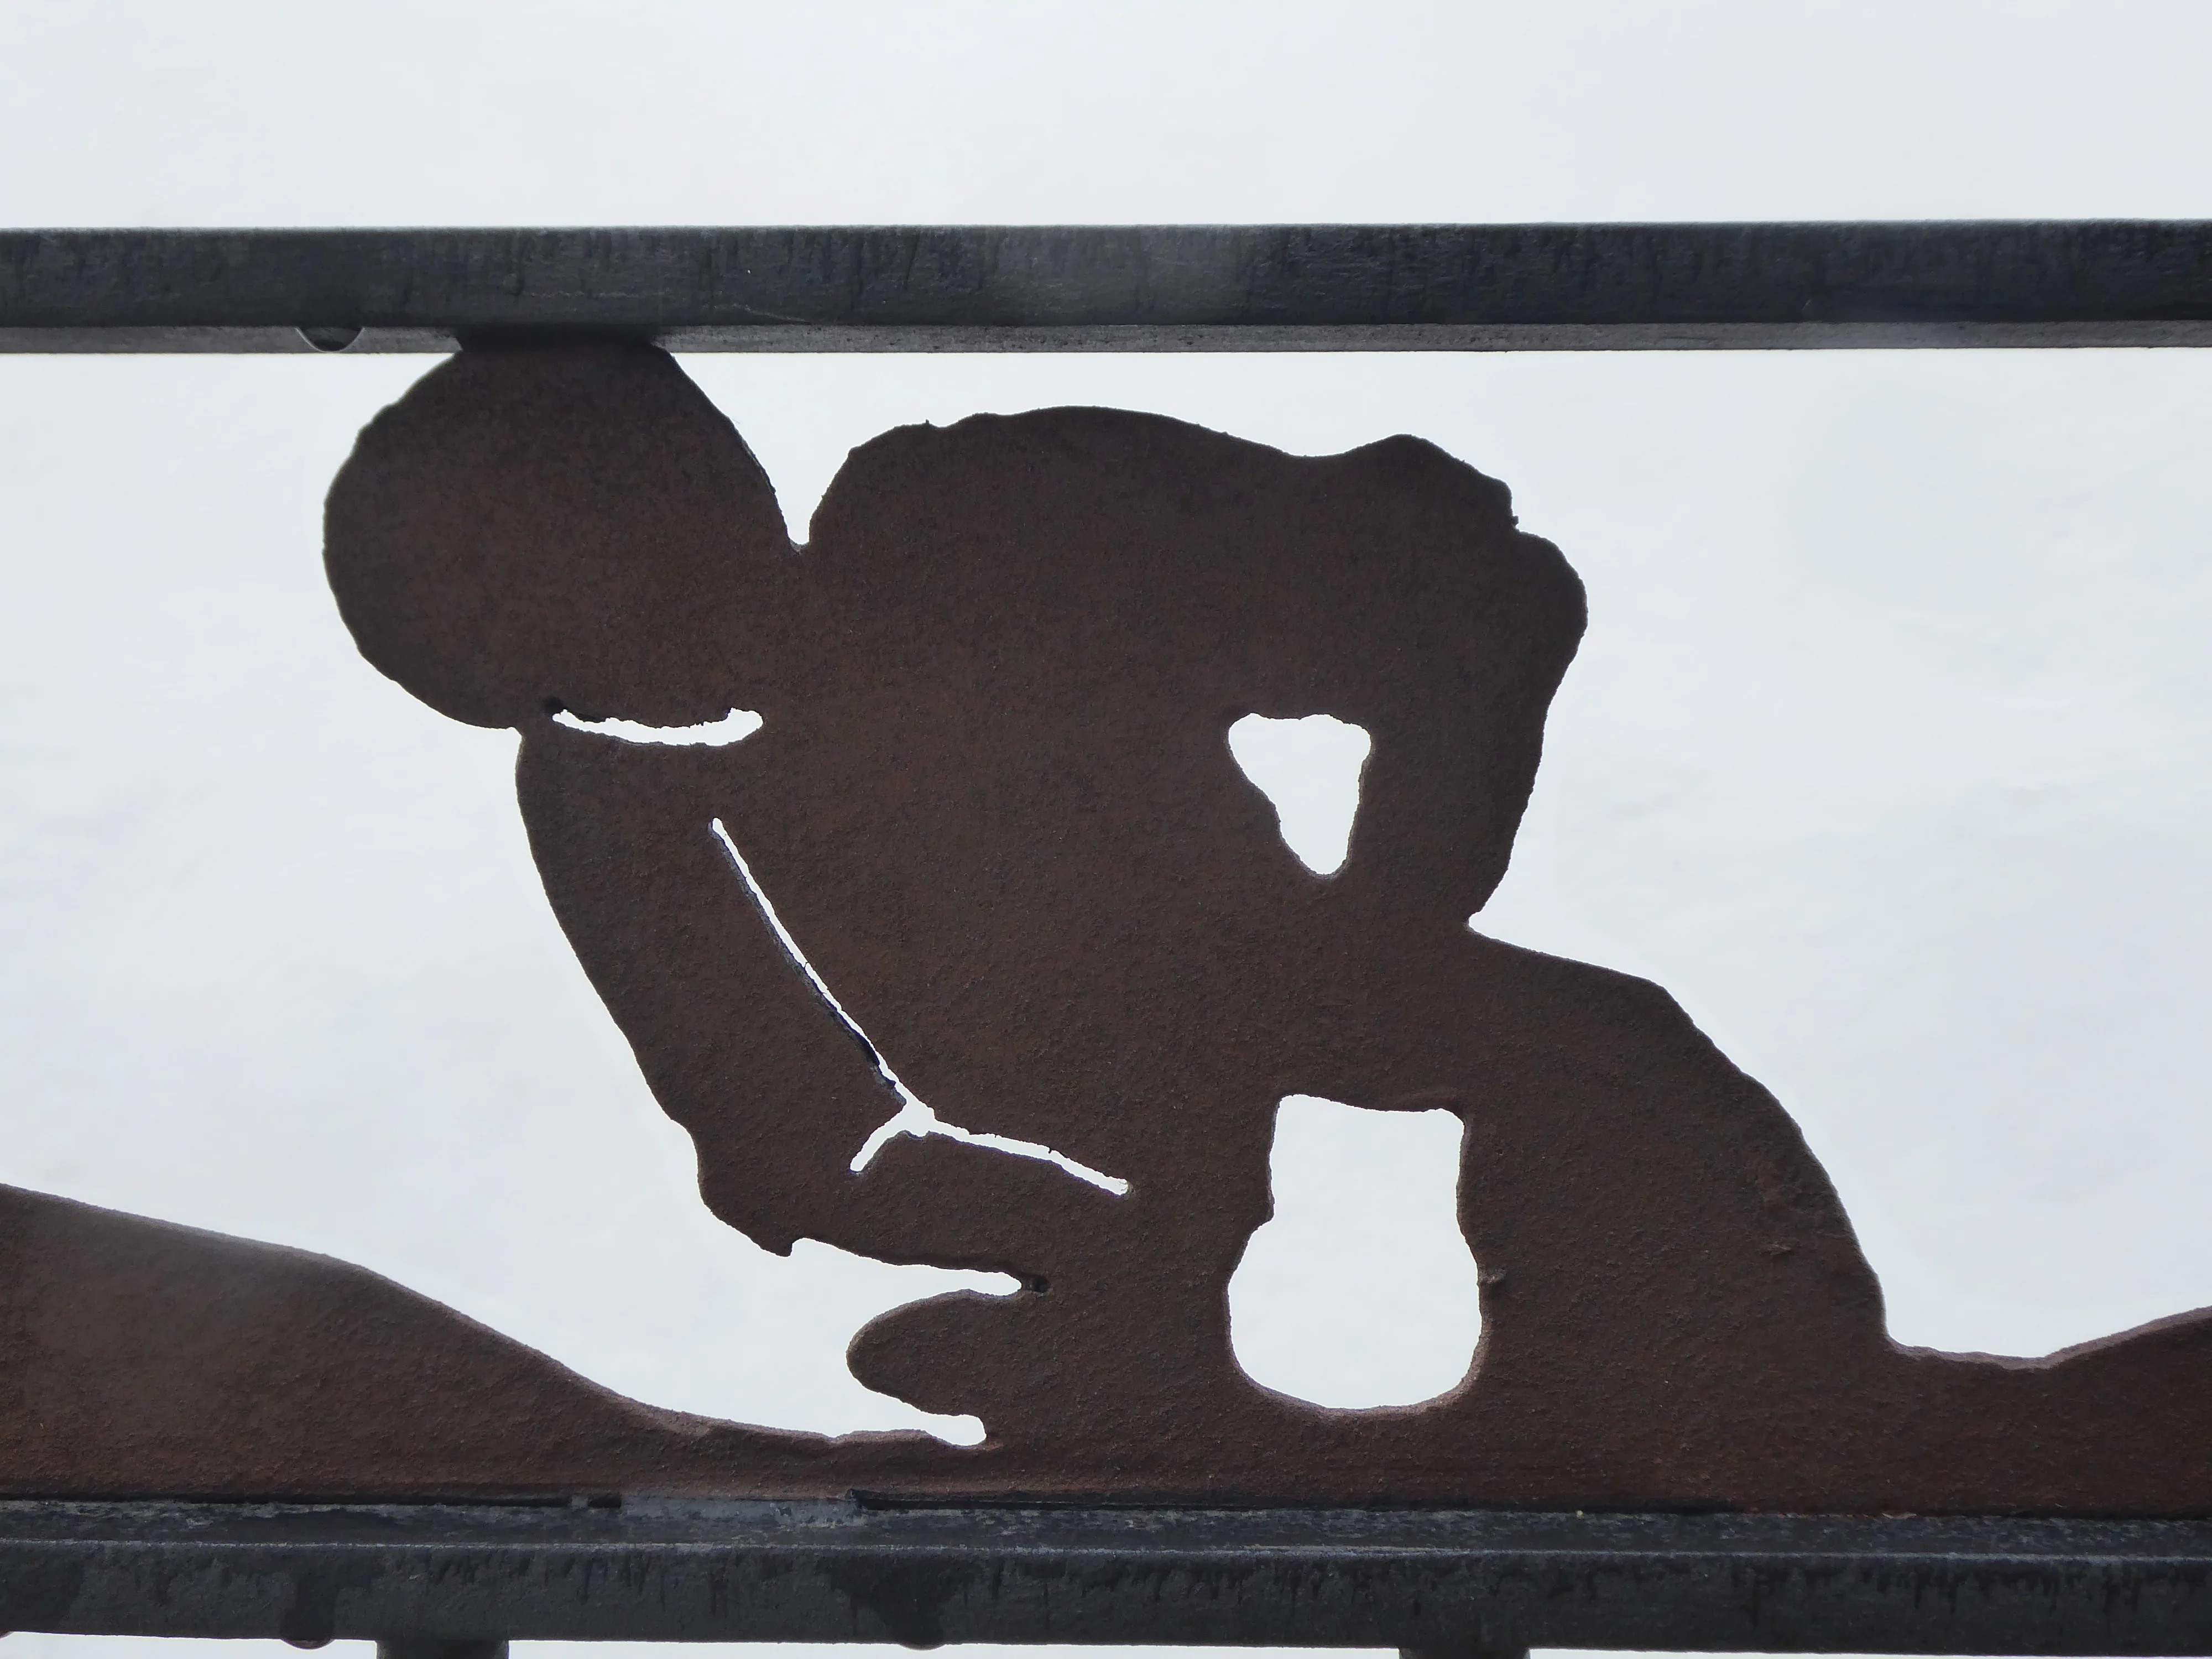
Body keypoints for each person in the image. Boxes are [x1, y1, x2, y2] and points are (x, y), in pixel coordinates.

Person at [319, 340, 2212, 1511]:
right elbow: (795, 1135)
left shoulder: (977, 524)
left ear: (704, 482)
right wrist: (1087, 1241)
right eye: (546, 678)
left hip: (1404, 1057)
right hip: (1119, 1245)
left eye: (606, 596)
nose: (621, 685)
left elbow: (1459, 590)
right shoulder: (617, 801)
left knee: (1628, 1132)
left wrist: (1394, 916)